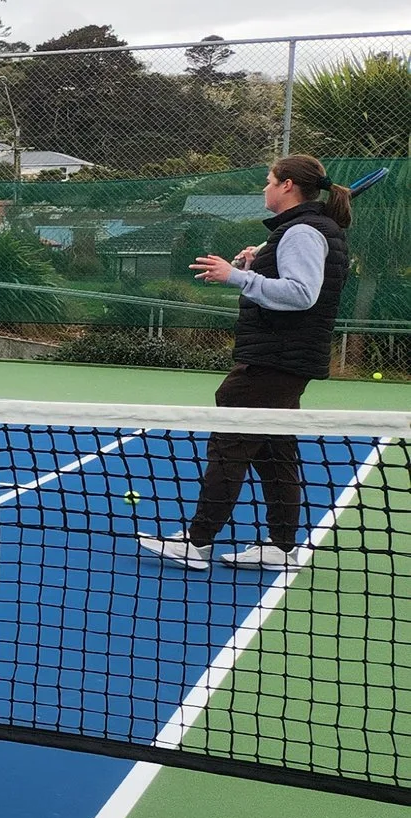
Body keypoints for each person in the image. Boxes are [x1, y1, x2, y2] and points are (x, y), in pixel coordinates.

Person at [140, 154, 354, 571]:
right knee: (275, 450)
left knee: (230, 444)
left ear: (288, 185)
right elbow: (287, 288)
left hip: (275, 359)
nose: (264, 188)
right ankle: (282, 545)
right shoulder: (302, 231)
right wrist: (257, 266)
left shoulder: (303, 233)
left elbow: (302, 294)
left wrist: (236, 277)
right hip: (285, 358)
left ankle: (198, 542)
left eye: (269, 181)